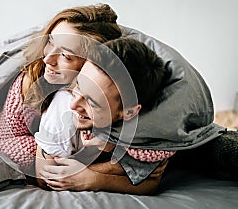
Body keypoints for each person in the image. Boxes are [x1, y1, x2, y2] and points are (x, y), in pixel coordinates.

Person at [0, 4, 122, 174]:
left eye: (66, 56)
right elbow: (3, 142)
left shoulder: (106, 95)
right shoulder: (33, 79)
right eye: (50, 42)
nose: (48, 58)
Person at [37, 38, 176, 194]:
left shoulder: (150, 130)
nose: (74, 105)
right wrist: (114, 169)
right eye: (78, 86)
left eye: (92, 102)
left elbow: (151, 182)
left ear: (129, 112)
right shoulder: (63, 107)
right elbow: (46, 178)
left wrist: (92, 178)